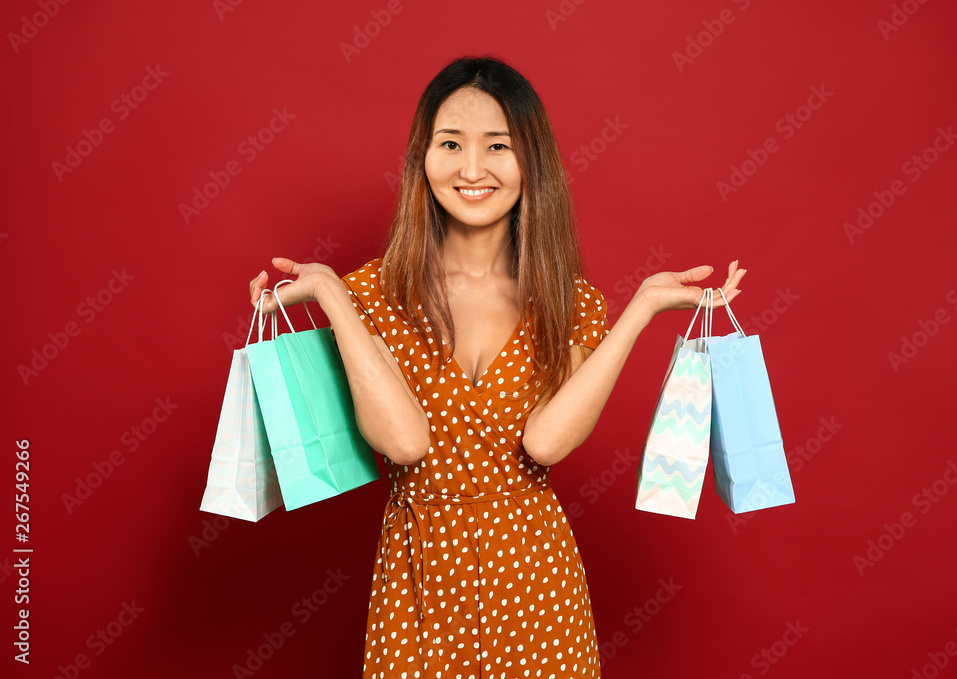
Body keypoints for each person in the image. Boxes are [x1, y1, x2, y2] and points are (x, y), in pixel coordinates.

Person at [249, 55, 745, 679]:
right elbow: (403, 442)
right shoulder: (372, 295)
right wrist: (331, 297)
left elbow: (545, 441)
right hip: (419, 580)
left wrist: (642, 308)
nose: (472, 169)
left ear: (529, 162)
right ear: (421, 158)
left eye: (498, 147)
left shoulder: (568, 302)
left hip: (536, 580)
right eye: (450, 144)